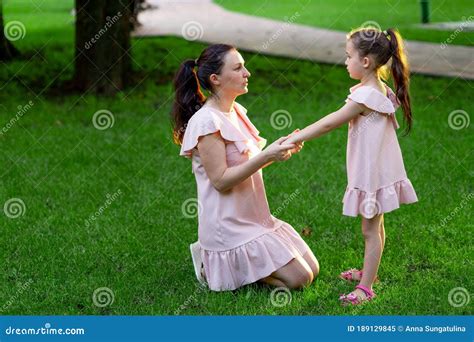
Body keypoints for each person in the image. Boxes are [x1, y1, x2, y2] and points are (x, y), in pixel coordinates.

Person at [284, 28, 418, 305]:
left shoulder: (365, 97)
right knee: (375, 227)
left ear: (365, 61)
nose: (345, 62)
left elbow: (329, 122)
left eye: (348, 57)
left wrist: (295, 137)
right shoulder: (378, 90)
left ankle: (365, 288)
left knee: (370, 231)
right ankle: (370, 272)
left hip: (373, 173)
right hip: (380, 169)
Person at [172, 44, 319, 292]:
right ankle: (218, 267)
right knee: (299, 279)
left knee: (312, 269)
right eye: (238, 68)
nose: (247, 73)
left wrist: (277, 151)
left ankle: (241, 267)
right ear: (215, 79)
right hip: (227, 226)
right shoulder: (206, 121)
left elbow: (246, 163)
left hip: (254, 218)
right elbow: (220, 180)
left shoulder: (235, 111)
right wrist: (265, 157)